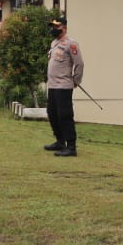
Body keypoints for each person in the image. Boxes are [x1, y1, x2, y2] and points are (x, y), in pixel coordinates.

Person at [44, 16, 84, 157]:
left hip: (64, 86)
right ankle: (60, 142)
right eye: (52, 27)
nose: (53, 29)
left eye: (57, 27)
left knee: (64, 116)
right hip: (53, 86)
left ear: (64, 28)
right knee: (52, 114)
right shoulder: (54, 43)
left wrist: (76, 81)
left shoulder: (71, 44)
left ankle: (71, 147)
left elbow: (79, 64)